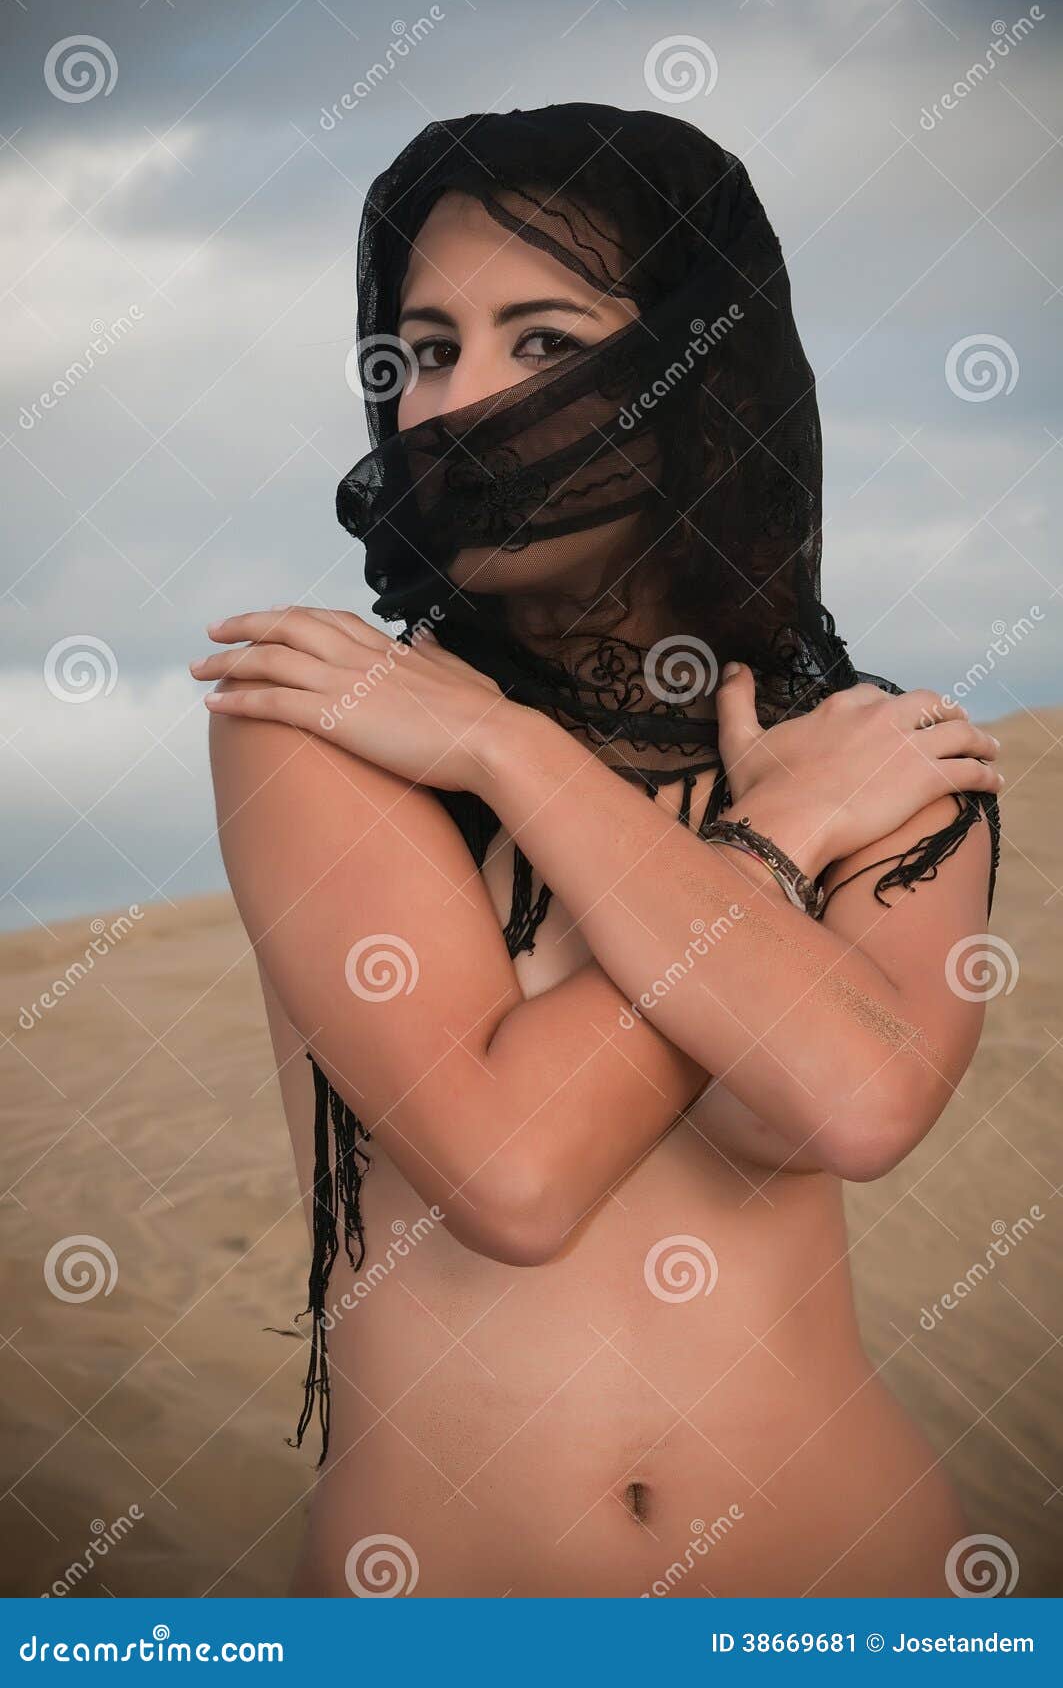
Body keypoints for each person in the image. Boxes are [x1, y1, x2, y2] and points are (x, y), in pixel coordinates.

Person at [194, 105, 1003, 1598]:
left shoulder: (879, 763)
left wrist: (518, 760)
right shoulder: (325, 724)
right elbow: (514, 1175)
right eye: (427, 348)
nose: (456, 403)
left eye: (546, 344)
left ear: (702, 374)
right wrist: (766, 843)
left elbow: (859, 1097)